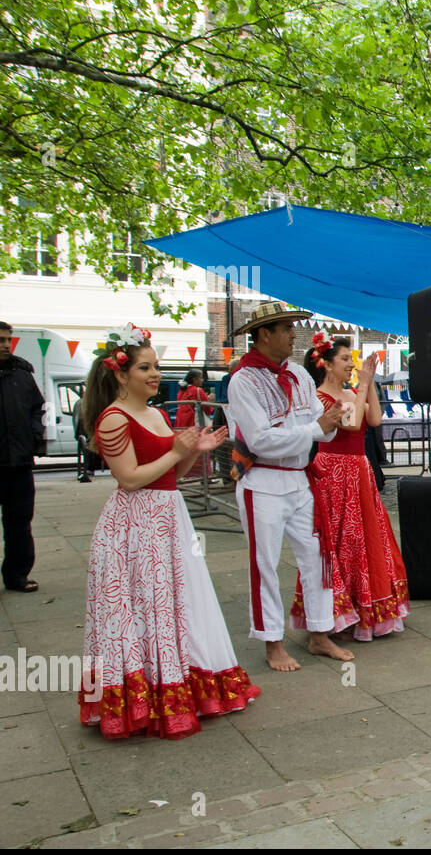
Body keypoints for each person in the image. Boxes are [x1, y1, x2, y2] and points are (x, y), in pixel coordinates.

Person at [78, 322, 259, 738]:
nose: (155, 374)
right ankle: (146, 698)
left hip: (167, 514)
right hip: (135, 523)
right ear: (121, 374)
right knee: (144, 608)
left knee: (177, 602)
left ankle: (183, 684)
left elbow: (170, 476)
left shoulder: (157, 414)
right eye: (145, 368)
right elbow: (129, 479)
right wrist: (178, 449)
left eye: (156, 366)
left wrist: (191, 451)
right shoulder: (112, 418)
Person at [225, 302, 348, 672]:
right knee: (263, 564)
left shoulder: (297, 373)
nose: (294, 335)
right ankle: (272, 642)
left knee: (318, 556)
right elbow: (261, 441)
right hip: (261, 480)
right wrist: (317, 428)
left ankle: (319, 633)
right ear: (264, 334)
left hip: (298, 478)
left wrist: (331, 420)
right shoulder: (243, 380)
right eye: (286, 329)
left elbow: (316, 420)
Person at [288, 333, 408, 641]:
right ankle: (335, 611)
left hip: (359, 469)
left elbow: (376, 420)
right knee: (342, 538)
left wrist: (369, 386)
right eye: (344, 359)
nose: (351, 365)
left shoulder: (354, 391)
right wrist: (365, 384)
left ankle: (365, 604)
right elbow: (352, 424)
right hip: (335, 471)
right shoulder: (319, 398)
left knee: (367, 536)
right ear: (327, 365)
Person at [0, 321, 45, 593]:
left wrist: (34, 435)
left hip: (18, 462)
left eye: (7, 339)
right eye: (0, 340)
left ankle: (17, 575)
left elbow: (37, 408)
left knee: (19, 522)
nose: (5, 344)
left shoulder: (22, 372)